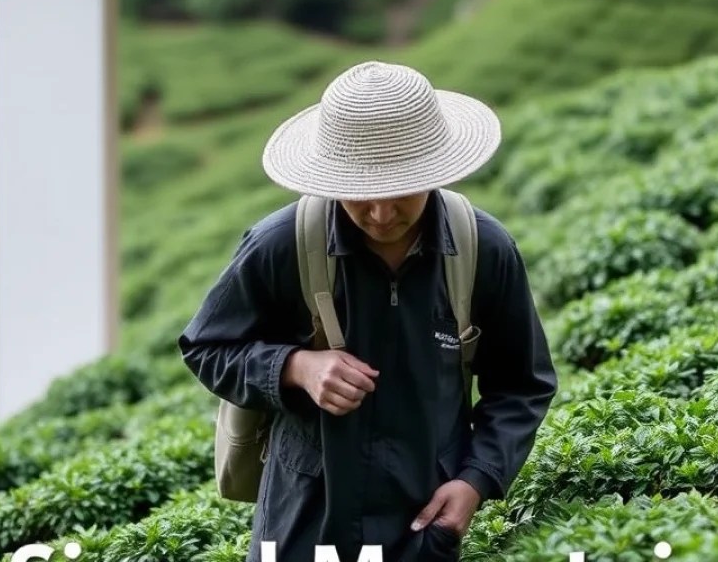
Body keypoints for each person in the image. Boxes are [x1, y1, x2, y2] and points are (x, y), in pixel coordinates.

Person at [178, 61, 559, 562]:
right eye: (361, 193)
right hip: (304, 522)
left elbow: (521, 384)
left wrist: (476, 481)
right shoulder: (281, 245)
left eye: (401, 191)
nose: (381, 215)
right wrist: (294, 367)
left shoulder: (481, 249)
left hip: (423, 523)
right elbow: (206, 347)